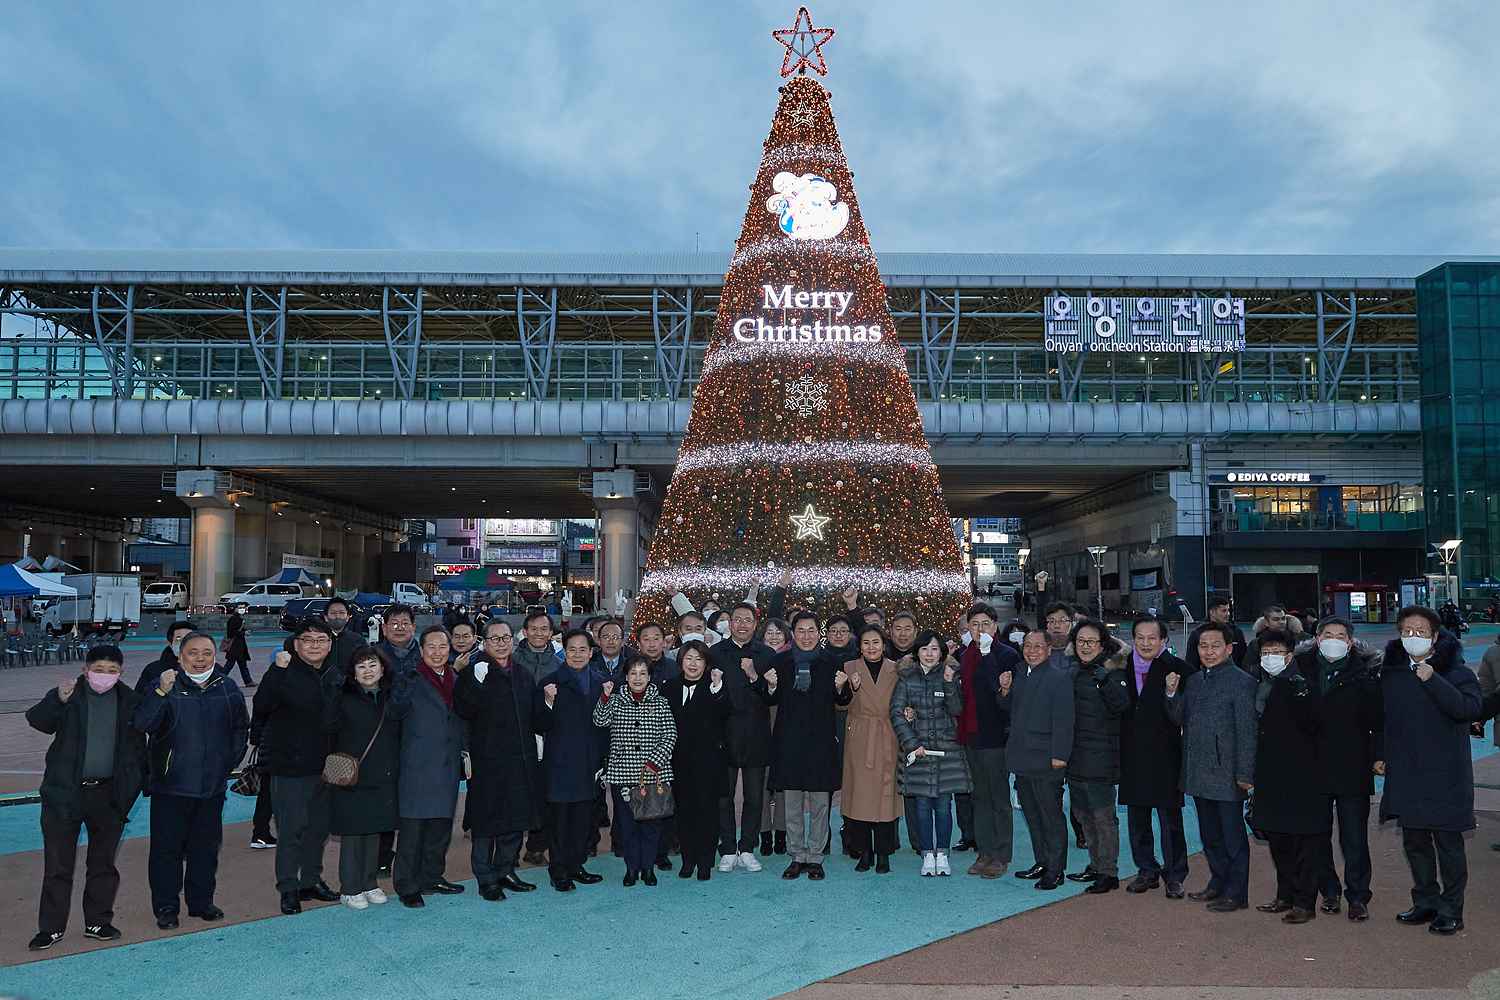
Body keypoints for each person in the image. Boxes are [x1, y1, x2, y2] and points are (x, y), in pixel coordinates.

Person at [26, 645, 148, 951]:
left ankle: (98, 921)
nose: (104, 676)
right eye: (98, 669)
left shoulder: (130, 701)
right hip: (64, 793)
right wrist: (57, 699)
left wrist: (128, 792)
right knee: (57, 864)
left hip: (108, 795)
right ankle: (51, 928)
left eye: (111, 671)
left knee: (103, 864)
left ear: (121, 673)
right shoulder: (70, 695)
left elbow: (138, 750)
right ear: (85, 670)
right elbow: (38, 721)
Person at [133, 632, 249, 928]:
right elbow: (143, 723)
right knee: (166, 850)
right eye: (193, 653)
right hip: (171, 786)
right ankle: (166, 907)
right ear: (180, 656)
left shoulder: (227, 686)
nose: (200, 659)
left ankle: (201, 902)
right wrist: (160, 692)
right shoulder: (164, 685)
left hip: (211, 786)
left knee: (206, 848)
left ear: (216, 655)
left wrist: (225, 764)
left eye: (207, 653)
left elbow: (240, 729)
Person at [1380, 605, 1482, 935]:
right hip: (1408, 773)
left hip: (1446, 775)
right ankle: (1425, 900)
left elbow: (1467, 709)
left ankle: (1452, 909)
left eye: (1421, 631)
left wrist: (1433, 678)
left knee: (1449, 845)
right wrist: (1380, 754)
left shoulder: (1458, 672)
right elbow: (1383, 720)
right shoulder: (1393, 673)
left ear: (1435, 637)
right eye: (1407, 631)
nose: (1413, 637)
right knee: (1415, 842)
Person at [454, 619, 555, 901]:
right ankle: (485, 877)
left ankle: (506, 869)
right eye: (495, 638)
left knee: (514, 820)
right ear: (484, 643)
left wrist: (547, 703)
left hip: (519, 758)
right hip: (487, 760)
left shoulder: (522, 674)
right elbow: (463, 709)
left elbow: (537, 719)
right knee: (486, 823)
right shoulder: (474, 672)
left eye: (506, 638)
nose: (501, 643)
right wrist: (476, 682)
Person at [1165, 621, 1258, 913]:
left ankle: (1237, 892)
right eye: (1203, 646)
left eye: (1215, 645)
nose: (1208, 651)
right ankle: (1218, 882)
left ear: (1229, 649)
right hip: (1198, 771)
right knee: (1209, 835)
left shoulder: (1242, 682)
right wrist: (1171, 694)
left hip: (1228, 774)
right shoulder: (1193, 680)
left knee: (1233, 838)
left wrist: (1245, 774)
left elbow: (1247, 732)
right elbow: (1179, 719)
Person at [1294, 616, 1383, 921]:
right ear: (1317, 639)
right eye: (1328, 634)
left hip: (1352, 766)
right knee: (1317, 836)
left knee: (1354, 837)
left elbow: (1378, 720)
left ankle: (1358, 896)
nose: (1334, 639)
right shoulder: (1300, 670)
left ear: (1350, 641)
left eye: (1341, 635)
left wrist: (1378, 755)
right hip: (1311, 766)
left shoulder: (1366, 673)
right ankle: (1328, 891)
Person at [252, 620, 340, 914]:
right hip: (290, 767)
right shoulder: (283, 672)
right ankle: (288, 887)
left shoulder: (335, 673)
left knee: (319, 829)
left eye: (321, 640)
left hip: (327, 767)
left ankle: (311, 880)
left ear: (330, 644)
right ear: (296, 643)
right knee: (291, 831)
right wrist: (277, 670)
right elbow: (262, 705)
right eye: (308, 640)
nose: (315, 645)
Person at [1247, 627, 1329, 924]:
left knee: (1303, 841)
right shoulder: (1260, 683)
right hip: (1269, 773)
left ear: (1290, 655)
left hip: (1302, 774)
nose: (1271, 658)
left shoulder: (1303, 684)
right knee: (1278, 838)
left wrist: (1303, 697)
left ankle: (1305, 901)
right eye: (1266, 653)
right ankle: (1285, 895)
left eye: (1277, 653)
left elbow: (1318, 726)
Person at [764, 611, 850, 880]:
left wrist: (842, 687)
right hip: (789, 742)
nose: (806, 635)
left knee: (820, 804)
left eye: (811, 630)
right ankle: (796, 855)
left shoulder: (831, 661)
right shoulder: (780, 662)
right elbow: (770, 699)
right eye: (800, 630)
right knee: (791, 805)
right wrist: (769, 687)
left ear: (818, 633)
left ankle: (815, 857)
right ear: (793, 633)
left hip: (820, 742)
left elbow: (844, 698)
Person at [322, 646, 407, 910]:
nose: (368, 671)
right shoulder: (342, 697)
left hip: (383, 774)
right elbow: (327, 729)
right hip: (352, 775)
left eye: (373, 665)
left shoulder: (390, 697)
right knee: (353, 834)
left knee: (374, 832)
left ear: (383, 669)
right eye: (361, 666)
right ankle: (350, 888)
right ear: (353, 673)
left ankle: (370, 883)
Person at [393, 625, 467, 907]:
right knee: (413, 830)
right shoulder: (410, 677)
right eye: (431, 647)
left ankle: (432, 876)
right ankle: (407, 884)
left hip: (447, 764)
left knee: (440, 826)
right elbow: (395, 712)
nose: (437, 653)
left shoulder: (455, 678)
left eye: (443, 647)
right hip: (416, 765)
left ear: (450, 650)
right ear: (421, 650)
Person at [1120, 615, 1193, 898]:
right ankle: (1146, 870)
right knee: (1137, 820)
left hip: (1166, 757)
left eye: (1152, 638)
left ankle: (1175, 875)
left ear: (1164, 641)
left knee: (1170, 822)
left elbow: (1183, 714)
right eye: (1140, 637)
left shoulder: (1179, 670)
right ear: (1133, 639)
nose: (1146, 643)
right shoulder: (1121, 667)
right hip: (1132, 756)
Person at [892, 630, 971, 878]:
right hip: (919, 751)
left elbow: (957, 709)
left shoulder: (950, 677)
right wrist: (912, 743)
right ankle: (927, 853)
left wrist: (949, 684)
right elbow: (896, 713)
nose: (929, 653)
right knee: (923, 805)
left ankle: (943, 854)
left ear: (942, 653)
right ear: (917, 652)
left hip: (946, 751)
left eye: (935, 649)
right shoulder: (906, 679)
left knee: (944, 806)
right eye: (925, 649)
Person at [593, 657, 677, 886]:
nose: (637, 678)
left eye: (642, 673)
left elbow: (670, 735)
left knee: (651, 825)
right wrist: (605, 697)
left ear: (649, 677)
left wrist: (653, 763)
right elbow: (599, 720)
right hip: (622, 773)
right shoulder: (617, 700)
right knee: (627, 825)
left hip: (653, 773)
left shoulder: (660, 702)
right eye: (633, 673)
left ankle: (648, 868)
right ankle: (631, 869)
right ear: (626, 676)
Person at [538, 629, 609, 891]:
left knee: (583, 818)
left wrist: (603, 760)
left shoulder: (603, 683)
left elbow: (607, 727)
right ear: (563, 652)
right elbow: (538, 722)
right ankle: (558, 870)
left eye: (583, 650)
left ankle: (576, 864)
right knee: (560, 820)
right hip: (559, 761)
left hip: (590, 761)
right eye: (572, 650)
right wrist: (548, 701)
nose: (577, 654)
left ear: (592, 653)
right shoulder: (550, 682)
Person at [709, 602, 777, 872]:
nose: (742, 624)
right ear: (729, 624)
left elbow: (773, 695)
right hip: (723, 734)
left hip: (756, 733)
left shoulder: (767, 654)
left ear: (755, 623)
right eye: (737, 619)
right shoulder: (715, 653)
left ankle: (747, 847)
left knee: (754, 797)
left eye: (747, 620)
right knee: (723, 796)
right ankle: (727, 848)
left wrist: (754, 677)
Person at [1064, 618, 1130, 894]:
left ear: (1102, 644)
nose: (1085, 646)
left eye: (1091, 642)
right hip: (1075, 755)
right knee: (1082, 814)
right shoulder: (1073, 671)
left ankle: (1108, 871)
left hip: (1101, 756)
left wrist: (1105, 679)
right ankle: (1096, 863)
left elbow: (1122, 706)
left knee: (1102, 816)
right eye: (1081, 641)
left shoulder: (1112, 673)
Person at [956, 603, 1021, 878]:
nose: (979, 629)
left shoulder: (1006, 654)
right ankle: (984, 851)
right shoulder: (963, 654)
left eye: (985, 624)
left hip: (995, 736)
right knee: (979, 797)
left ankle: (1001, 854)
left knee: (999, 798)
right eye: (974, 625)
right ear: (967, 628)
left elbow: (1000, 688)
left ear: (994, 626)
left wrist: (986, 653)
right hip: (970, 735)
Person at [1006, 629, 1075, 890]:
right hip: (1023, 758)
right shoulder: (1020, 674)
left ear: (1048, 649)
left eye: (1037, 646)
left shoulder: (1059, 678)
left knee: (1051, 817)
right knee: (1032, 815)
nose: (1032, 651)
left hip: (1047, 760)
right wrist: (1004, 690)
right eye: (1027, 646)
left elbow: (1064, 721)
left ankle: (1056, 870)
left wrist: (1060, 756)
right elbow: (1009, 711)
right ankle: (1042, 861)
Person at [661, 640, 731, 880]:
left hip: (709, 763)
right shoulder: (668, 687)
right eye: (689, 658)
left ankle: (705, 861)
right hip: (678, 762)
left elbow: (725, 713)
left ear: (706, 663)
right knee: (684, 812)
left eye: (699, 659)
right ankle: (688, 859)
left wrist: (717, 688)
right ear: (681, 661)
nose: (693, 663)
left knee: (708, 813)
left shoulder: (715, 686)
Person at [841, 623, 903, 873]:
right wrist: (846, 687)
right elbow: (839, 702)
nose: (871, 647)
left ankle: (884, 854)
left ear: (883, 644)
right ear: (860, 647)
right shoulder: (848, 668)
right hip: (860, 735)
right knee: (859, 797)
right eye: (866, 643)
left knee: (886, 798)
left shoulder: (896, 669)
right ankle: (863, 852)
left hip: (887, 734)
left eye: (875, 642)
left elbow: (905, 697)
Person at [1186, 597, 1247, 672]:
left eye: (1228, 611)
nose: (1228, 614)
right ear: (1212, 612)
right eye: (1224, 611)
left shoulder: (1237, 632)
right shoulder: (1197, 634)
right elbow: (1191, 663)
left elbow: (1244, 660)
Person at [135, 620, 195, 694]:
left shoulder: (208, 669)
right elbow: (139, 700)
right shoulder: (153, 670)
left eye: (189, 638)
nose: (185, 643)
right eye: (179, 639)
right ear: (171, 644)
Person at [374, 605, 422, 676]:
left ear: (413, 628)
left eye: (405, 623)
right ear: (384, 628)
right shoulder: (373, 655)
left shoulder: (425, 654)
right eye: (394, 624)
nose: (400, 628)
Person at [323, 597, 363, 671]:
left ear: (348, 617)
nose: (337, 616)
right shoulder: (318, 640)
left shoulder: (358, 640)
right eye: (333, 613)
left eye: (342, 613)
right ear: (326, 617)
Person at [224, 608, 254, 687]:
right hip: (235, 646)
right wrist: (244, 632)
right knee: (230, 665)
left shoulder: (237, 619)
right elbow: (231, 632)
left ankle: (248, 681)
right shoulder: (234, 619)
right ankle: (219, 680)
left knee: (241, 665)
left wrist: (245, 631)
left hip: (239, 646)